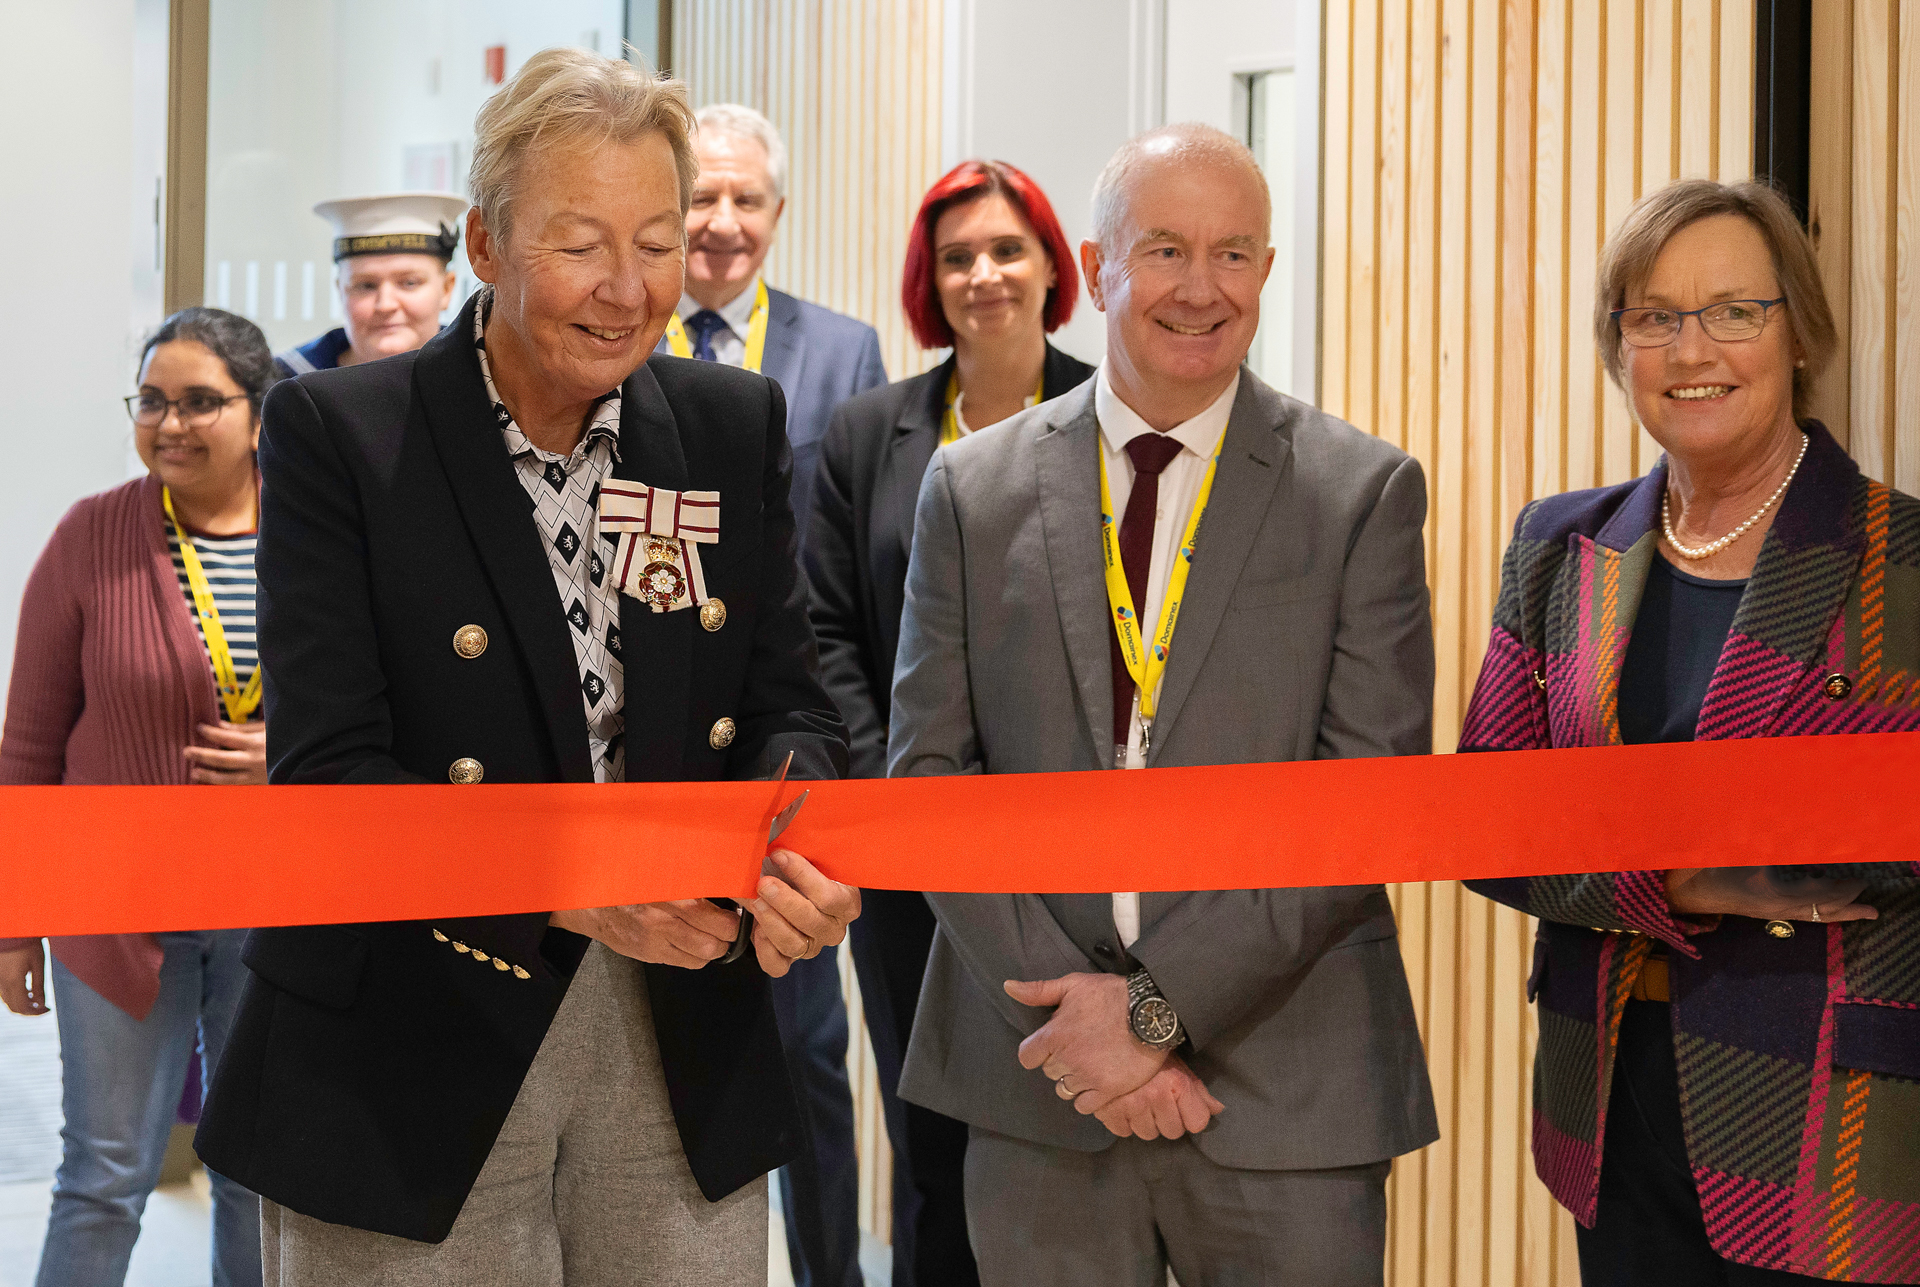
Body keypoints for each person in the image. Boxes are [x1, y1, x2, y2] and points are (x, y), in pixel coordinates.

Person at [194, 48, 861, 1286]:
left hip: (682, 1023)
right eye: (580, 245)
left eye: (655, 242)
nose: (627, 289)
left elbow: (789, 704)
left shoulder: (727, 424)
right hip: (410, 1022)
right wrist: (579, 882)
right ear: (488, 248)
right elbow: (331, 772)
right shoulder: (344, 435)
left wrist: (794, 841)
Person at [886, 123, 1439, 1286]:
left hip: (1289, 1099)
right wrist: (1080, 1028)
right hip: (1040, 1084)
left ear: (1269, 273)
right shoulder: (972, 491)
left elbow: (1363, 808)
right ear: (1096, 272)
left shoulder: (1359, 493)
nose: (1202, 288)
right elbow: (929, 785)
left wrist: (1144, 1020)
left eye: (1235, 254)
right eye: (1167, 250)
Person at [1461, 180, 1920, 1286]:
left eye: (1733, 311)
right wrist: (1689, 876)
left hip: (1832, 1113)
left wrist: (1636, 847)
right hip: (1610, 1100)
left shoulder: (1900, 559)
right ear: (1619, 347)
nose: (1690, 346)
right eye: (1654, 316)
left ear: (1798, 331)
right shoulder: (1560, 546)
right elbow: (1487, 821)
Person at [805, 157, 1093, 1287]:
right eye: (958, 255)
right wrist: (894, 806)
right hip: (907, 863)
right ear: (931, 280)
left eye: (1007, 250)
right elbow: (827, 633)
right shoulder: (866, 431)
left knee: (1065, 1132)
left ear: (1050, 267)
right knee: (932, 1145)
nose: (984, 274)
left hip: (1069, 857)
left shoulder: (1108, 412)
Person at [0, 306, 273, 1287]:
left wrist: (282, 754)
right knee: (104, 1174)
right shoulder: (92, 536)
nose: (171, 423)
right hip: (111, 905)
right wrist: (13, 921)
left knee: (254, 1171)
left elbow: (376, 710)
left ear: (257, 410)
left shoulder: (318, 535)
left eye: (202, 402)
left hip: (273, 907)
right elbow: (28, 742)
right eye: (152, 401)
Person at [662, 100, 886, 1287]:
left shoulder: (843, 351)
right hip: (658, 740)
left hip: (794, 745)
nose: (723, 221)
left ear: (778, 215)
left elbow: (849, 563)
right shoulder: (630, 337)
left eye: (747, 198)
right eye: (701, 196)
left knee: (808, 1049)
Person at [272, 191, 467, 378]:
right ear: (340, 291)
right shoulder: (285, 383)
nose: (385, 305)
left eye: (409, 283)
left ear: (446, 289)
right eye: (366, 286)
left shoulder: (478, 373)